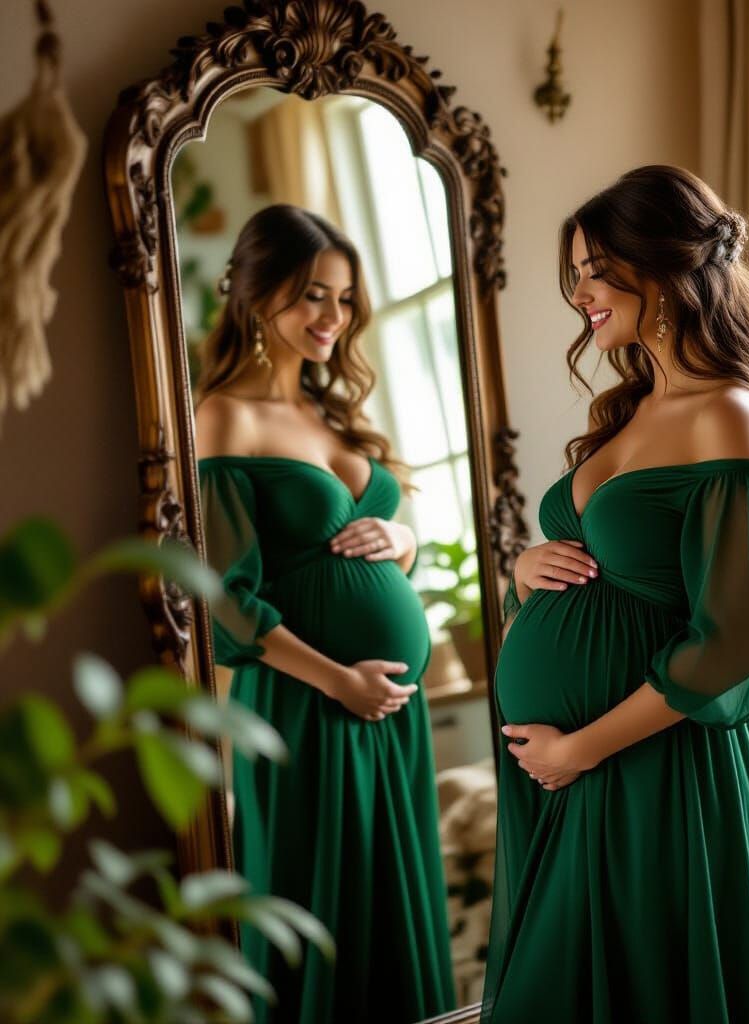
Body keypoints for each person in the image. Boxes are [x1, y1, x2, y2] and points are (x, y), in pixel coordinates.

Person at [481, 166, 749, 1023]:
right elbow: (603, 561)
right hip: (581, 771)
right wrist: (526, 567)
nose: (580, 292)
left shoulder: (727, 412)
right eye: (577, 273)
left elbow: (735, 640)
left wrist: (583, 747)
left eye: (596, 269)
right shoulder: (630, 408)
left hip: (662, 774)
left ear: (662, 268)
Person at [193, 204, 454, 1024]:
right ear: (257, 294)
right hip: (306, 705)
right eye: (313, 295)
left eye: (344, 300)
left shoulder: (335, 413)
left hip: (386, 712)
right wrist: (339, 680)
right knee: (320, 913)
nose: (333, 319)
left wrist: (403, 535)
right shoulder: (222, 415)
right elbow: (224, 601)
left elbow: (387, 547)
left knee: (391, 903)